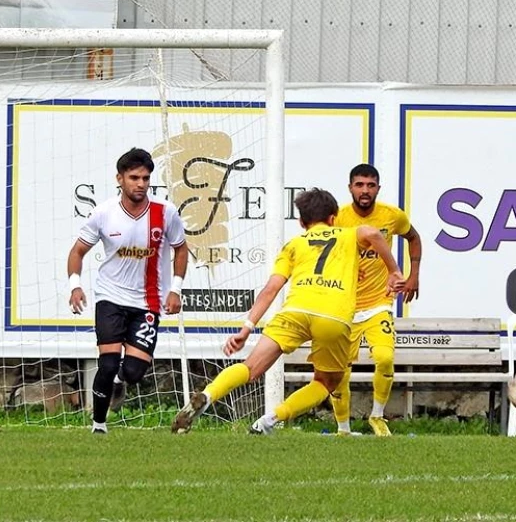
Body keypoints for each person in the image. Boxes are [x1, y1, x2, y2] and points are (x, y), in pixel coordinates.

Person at [171, 188, 402, 435]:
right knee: (325, 382)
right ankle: (271, 419)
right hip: (332, 316)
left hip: (294, 311)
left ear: (302, 222)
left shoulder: (294, 244)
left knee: (250, 368)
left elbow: (271, 288)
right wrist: (393, 271)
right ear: (334, 218)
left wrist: (246, 328)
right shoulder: (347, 235)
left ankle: (208, 395)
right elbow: (373, 233)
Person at [67, 147, 188, 434]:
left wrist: (176, 289)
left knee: (133, 373)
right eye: (134, 177)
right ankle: (98, 425)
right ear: (119, 179)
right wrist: (75, 286)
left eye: (146, 178)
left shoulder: (165, 212)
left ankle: (121, 382)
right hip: (110, 297)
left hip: (148, 302)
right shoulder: (104, 213)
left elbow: (181, 249)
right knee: (106, 365)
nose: (141, 184)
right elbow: (77, 251)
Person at [330, 163, 422, 437]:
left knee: (384, 357)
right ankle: (343, 428)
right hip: (344, 306)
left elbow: (414, 238)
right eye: (359, 185)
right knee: (339, 370)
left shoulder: (392, 216)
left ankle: (378, 417)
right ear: (350, 188)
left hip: (378, 303)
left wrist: (413, 275)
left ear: (378, 188)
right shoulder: (338, 218)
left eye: (370, 185)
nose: (365, 190)